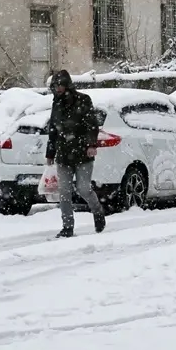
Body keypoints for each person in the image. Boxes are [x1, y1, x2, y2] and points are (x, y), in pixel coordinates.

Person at [44, 70, 105, 238]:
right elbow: (53, 130)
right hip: (64, 154)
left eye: (60, 85)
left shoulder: (83, 100)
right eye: (55, 86)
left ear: (67, 85)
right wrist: (50, 152)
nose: (57, 89)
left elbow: (91, 125)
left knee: (83, 188)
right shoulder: (56, 104)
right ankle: (67, 227)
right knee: (64, 192)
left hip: (82, 152)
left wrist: (91, 144)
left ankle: (98, 211)